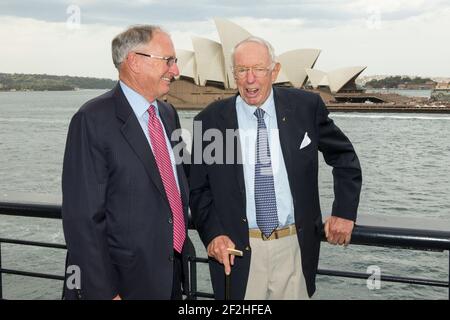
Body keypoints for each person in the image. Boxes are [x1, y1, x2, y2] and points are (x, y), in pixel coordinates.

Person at [189, 36, 362, 299]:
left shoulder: (305, 107)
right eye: (242, 70)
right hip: (237, 253)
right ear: (233, 73)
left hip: (294, 249)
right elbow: (198, 189)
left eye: (258, 69)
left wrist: (344, 212)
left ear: (275, 71)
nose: (250, 79)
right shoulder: (211, 121)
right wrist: (213, 235)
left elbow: (344, 157)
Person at [62, 25, 190, 299]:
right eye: (168, 60)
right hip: (123, 285)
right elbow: (82, 218)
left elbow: (178, 188)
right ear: (134, 61)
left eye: (175, 61)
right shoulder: (92, 119)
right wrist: (105, 292)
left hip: (170, 278)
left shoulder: (168, 115)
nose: (175, 70)